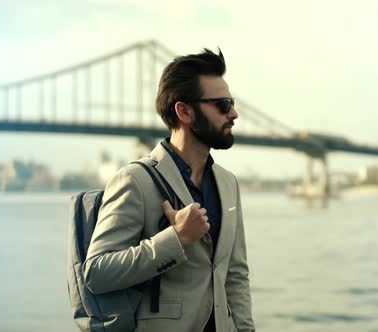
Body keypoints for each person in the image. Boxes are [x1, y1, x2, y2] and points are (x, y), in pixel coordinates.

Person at [83, 48, 255, 332]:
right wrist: (176, 238)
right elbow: (97, 272)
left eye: (232, 103)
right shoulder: (134, 181)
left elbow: (235, 275)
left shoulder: (228, 183)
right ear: (184, 111)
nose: (234, 114)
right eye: (223, 105)